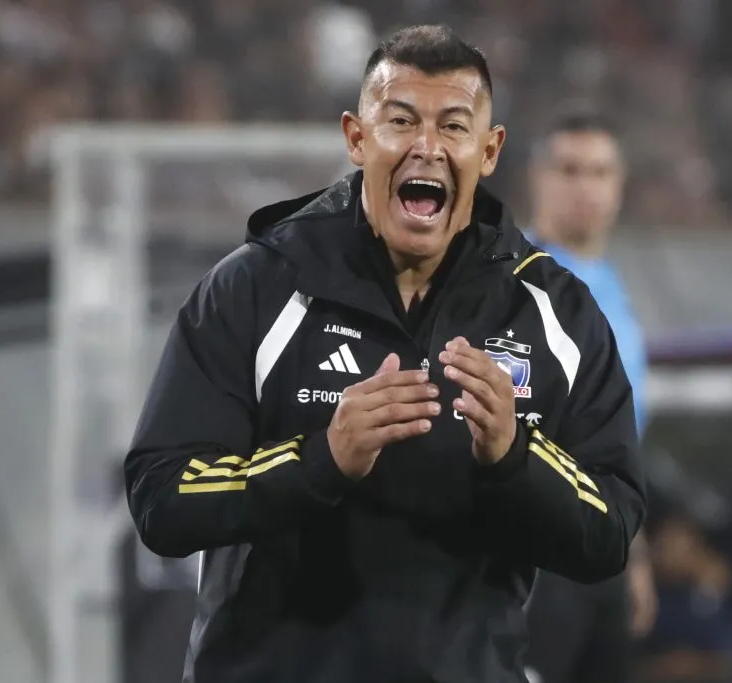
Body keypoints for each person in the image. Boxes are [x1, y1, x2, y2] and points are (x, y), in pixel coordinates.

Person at [124, 24, 645, 683]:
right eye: (401, 120)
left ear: (489, 150)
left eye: (453, 126)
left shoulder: (555, 313)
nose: (426, 146)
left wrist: (516, 454)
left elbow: (613, 527)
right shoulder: (255, 286)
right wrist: (322, 459)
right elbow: (161, 496)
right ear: (356, 137)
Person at [524, 111, 657, 683]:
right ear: (538, 180)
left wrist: (637, 555)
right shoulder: (510, 282)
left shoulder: (616, 293)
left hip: (605, 548)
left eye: (600, 172)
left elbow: (624, 447)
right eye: (569, 170)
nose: (585, 187)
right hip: (536, 551)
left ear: (619, 187)